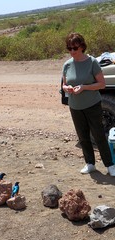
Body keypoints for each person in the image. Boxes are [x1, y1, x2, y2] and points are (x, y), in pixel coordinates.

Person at [62, 32, 115, 176]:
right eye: (69, 48)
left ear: (82, 47)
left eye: (75, 48)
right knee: (83, 136)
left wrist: (84, 87)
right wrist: (67, 88)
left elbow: (101, 84)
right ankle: (90, 163)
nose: (72, 51)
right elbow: (64, 85)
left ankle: (109, 165)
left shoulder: (92, 62)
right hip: (75, 106)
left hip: (92, 105)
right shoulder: (67, 64)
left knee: (98, 135)